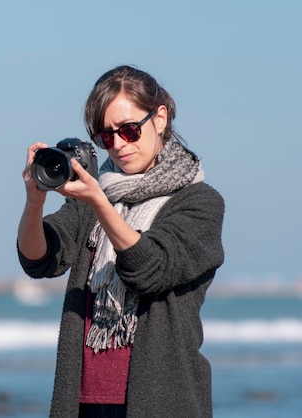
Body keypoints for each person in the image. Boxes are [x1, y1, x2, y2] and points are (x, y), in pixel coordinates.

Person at [17, 65, 224, 418]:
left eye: (129, 131)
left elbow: (150, 268)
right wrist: (35, 202)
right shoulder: (97, 197)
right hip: (82, 401)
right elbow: (39, 259)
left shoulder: (200, 203)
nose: (119, 146)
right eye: (106, 137)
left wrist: (99, 201)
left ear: (159, 118)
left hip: (163, 400)